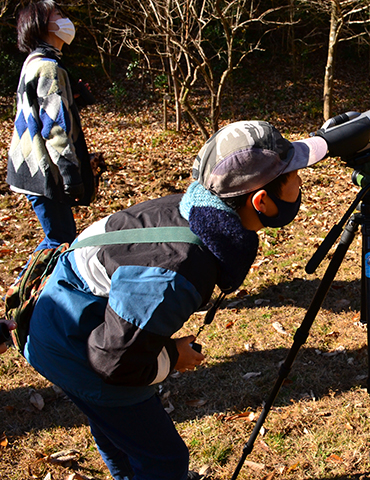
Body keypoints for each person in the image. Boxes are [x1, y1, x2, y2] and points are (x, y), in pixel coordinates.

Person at [23, 121, 328, 480]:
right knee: (164, 460)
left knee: (119, 433)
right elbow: (114, 362)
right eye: (294, 176)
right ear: (261, 201)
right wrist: (170, 356)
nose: (300, 182)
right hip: (74, 345)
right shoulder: (181, 269)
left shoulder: (196, 208)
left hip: (69, 319)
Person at [7, 0, 96, 252]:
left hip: (26, 166)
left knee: (60, 236)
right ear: (41, 24)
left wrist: (71, 99)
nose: (64, 19)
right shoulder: (48, 67)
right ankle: (20, 290)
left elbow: (37, 111)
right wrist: (70, 176)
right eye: (57, 14)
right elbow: (54, 130)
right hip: (42, 169)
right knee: (60, 240)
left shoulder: (34, 61)